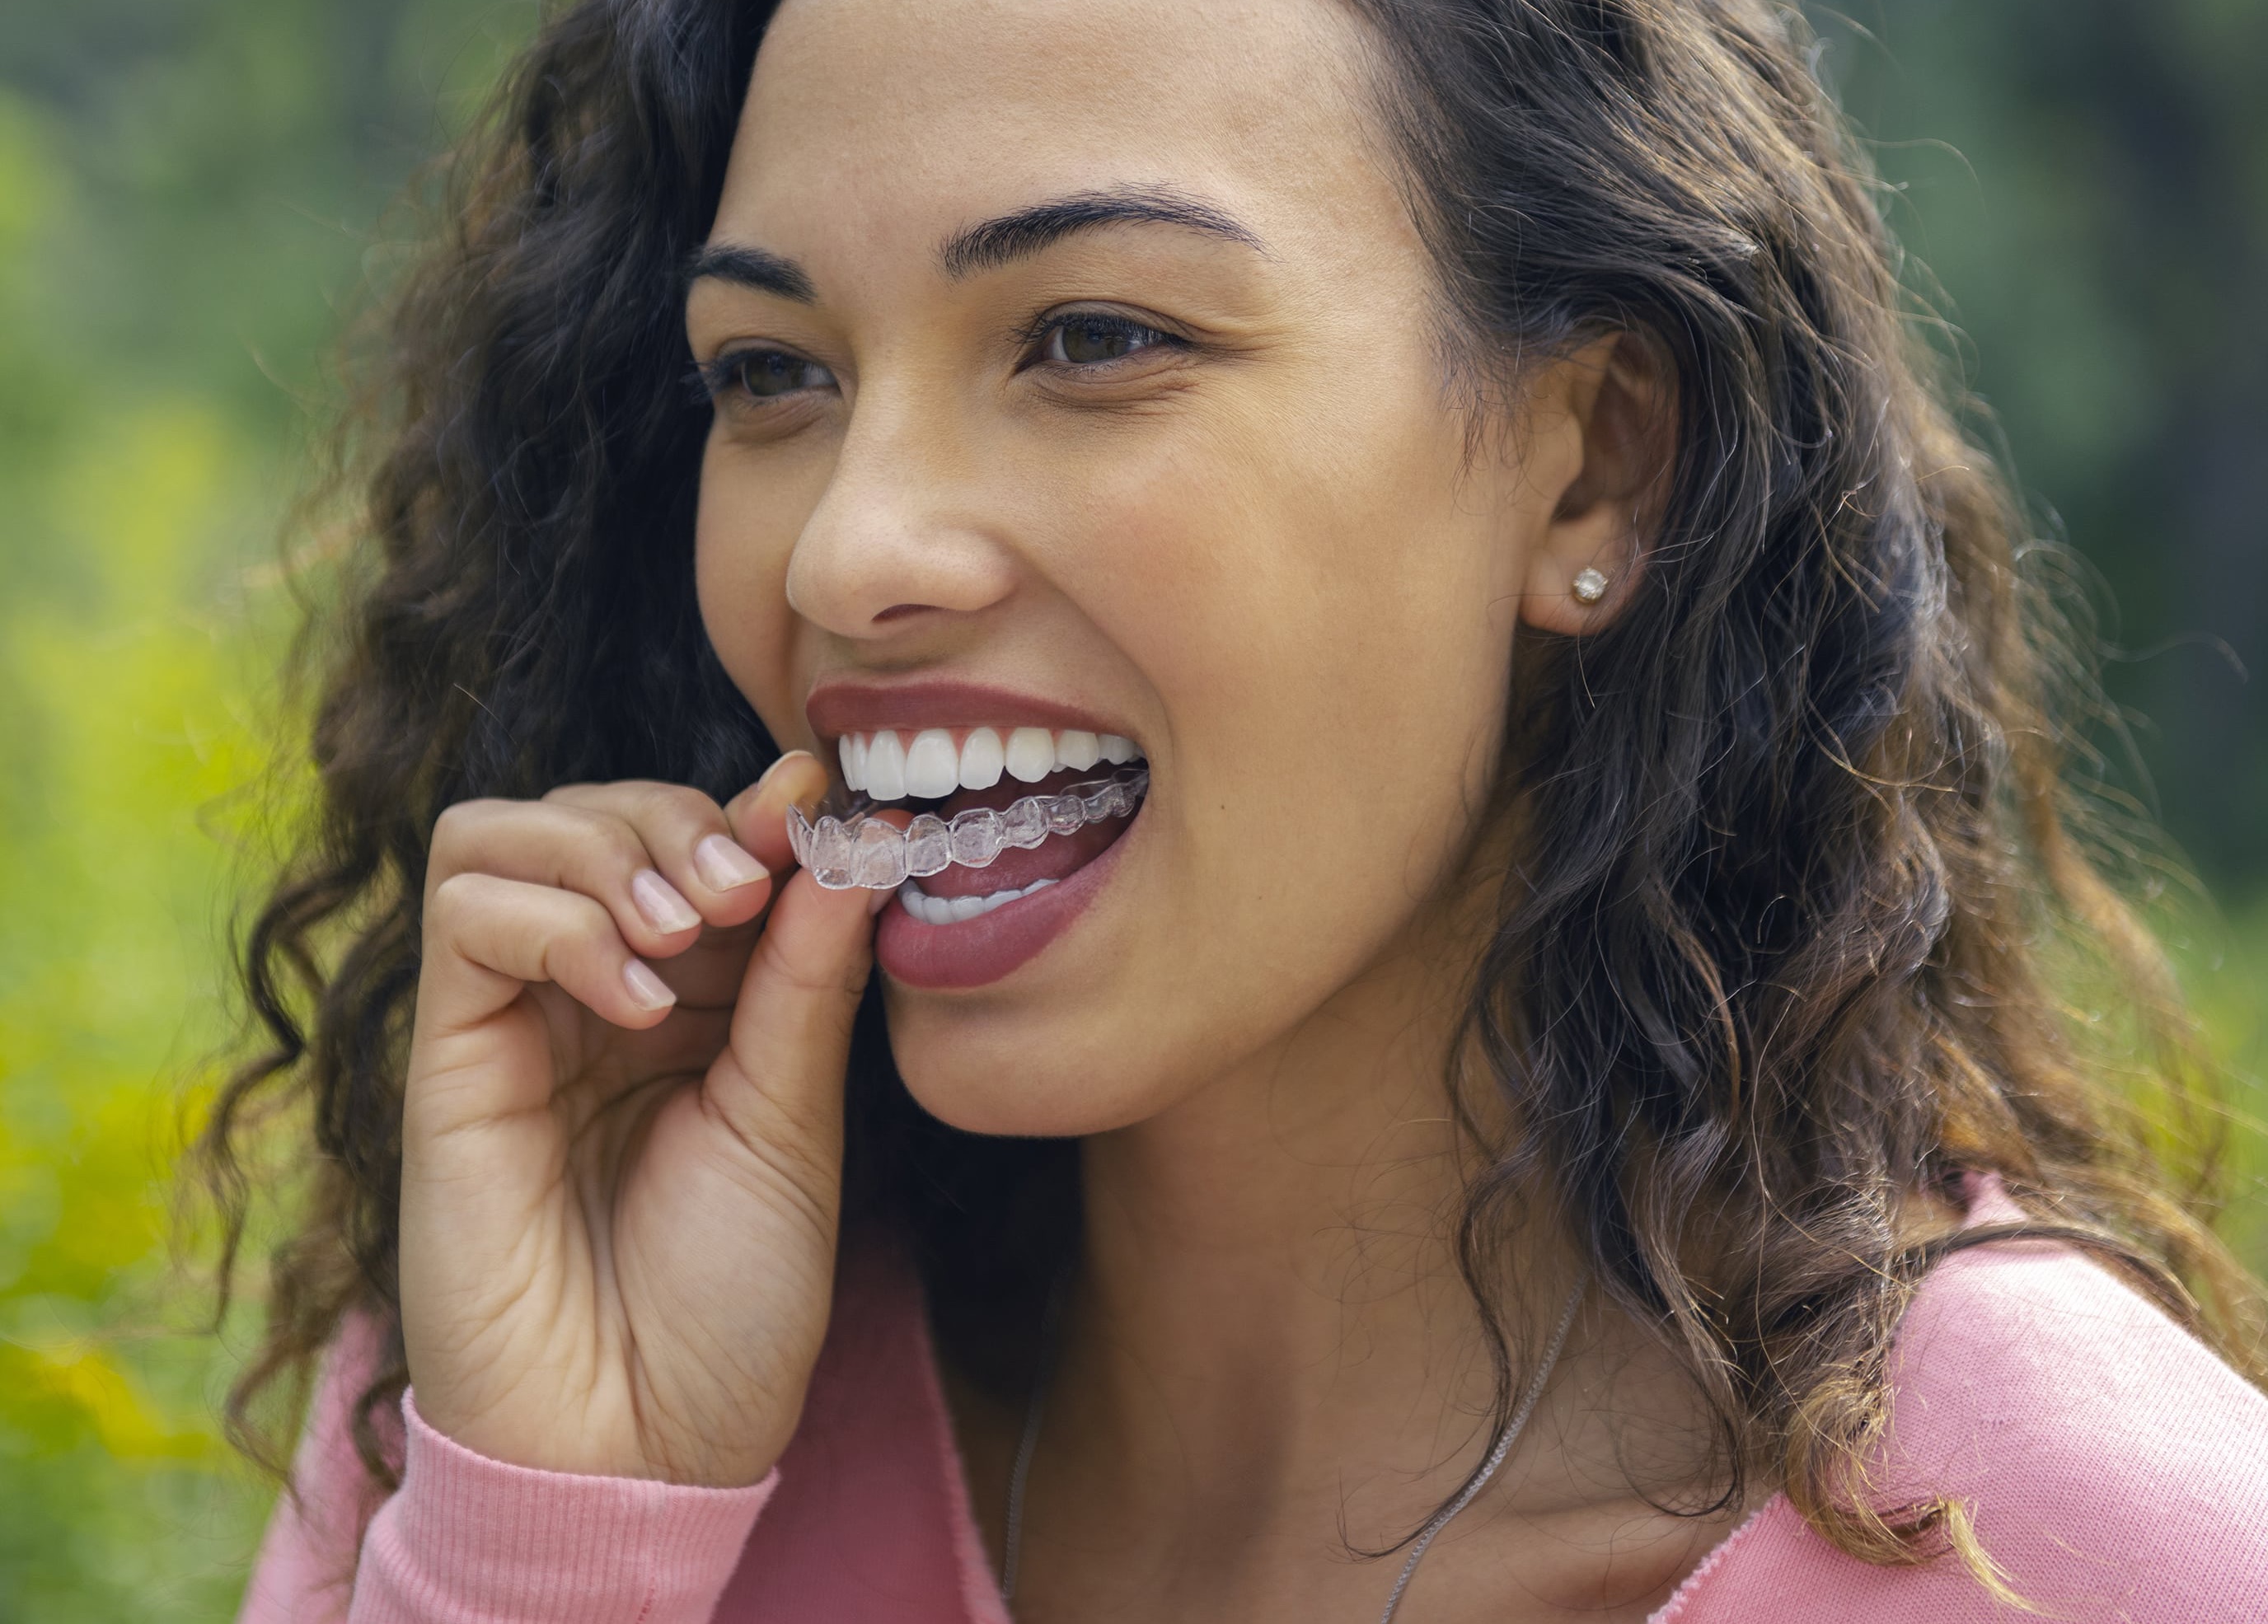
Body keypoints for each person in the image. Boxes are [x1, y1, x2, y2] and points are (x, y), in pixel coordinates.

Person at [205, 1, 2268, 1619]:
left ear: (1590, 468)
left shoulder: (2105, 1553)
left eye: (1094, 336)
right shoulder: (525, 1391)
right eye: (770, 375)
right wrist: (550, 1546)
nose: (846, 552)